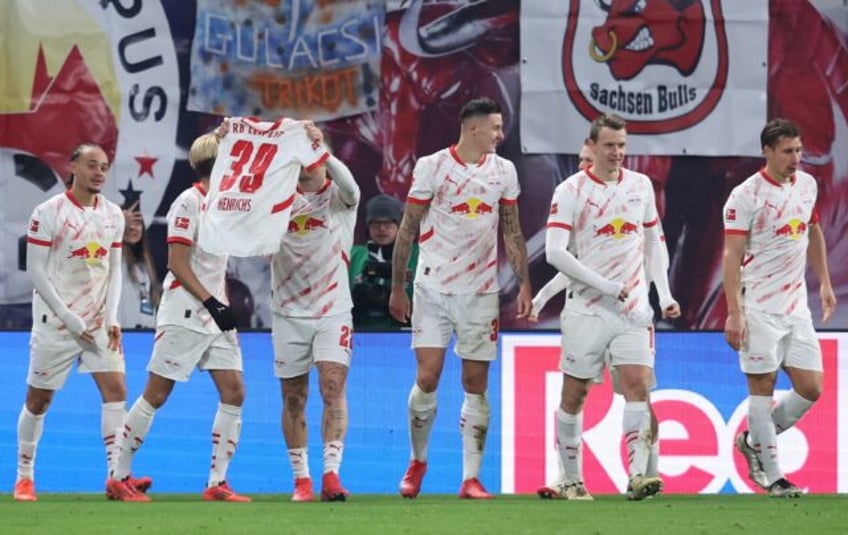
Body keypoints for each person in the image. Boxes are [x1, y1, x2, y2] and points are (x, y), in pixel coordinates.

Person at [389, 97, 533, 499]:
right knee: (428, 377)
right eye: (495, 127)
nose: (500, 135)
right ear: (473, 128)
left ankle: (470, 478)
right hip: (432, 288)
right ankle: (418, 461)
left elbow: (512, 230)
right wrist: (398, 286)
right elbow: (407, 228)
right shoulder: (432, 167)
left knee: (475, 382)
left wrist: (524, 283)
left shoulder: (504, 171)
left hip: (480, 292)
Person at [106, 132, 250, 502]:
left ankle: (217, 483)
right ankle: (118, 476)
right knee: (157, 393)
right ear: (216, 166)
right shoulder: (188, 202)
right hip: (185, 308)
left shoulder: (224, 204)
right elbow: (177, 263)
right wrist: (213, 302)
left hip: (214, 314)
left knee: (234, 392)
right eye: (230, 160)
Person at [543, 114, 680, 501]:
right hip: (586, 309)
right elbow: (554, 252)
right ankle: (571, 479)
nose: (617, 153)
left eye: (622, 145)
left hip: (633, 310)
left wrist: (664, 294)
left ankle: (637, 476)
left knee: (638, 385)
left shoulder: (641, 186)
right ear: (593, 146)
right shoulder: (570, 190)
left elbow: (654, 243)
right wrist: (605, 286)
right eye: (609, 145)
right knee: (575, 394)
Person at [13, 143, 147, 501]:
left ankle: (116, 477)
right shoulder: (48, 212)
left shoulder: (113, 215)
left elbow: (113, 269)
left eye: (104, 166)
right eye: (92, 165)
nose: (100, 172)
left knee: (116, 391)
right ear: (72, 166)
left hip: (99, 324)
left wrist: (113, 315)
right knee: (38, 401)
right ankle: (24, 476)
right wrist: (69, 318)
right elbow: (36, 270)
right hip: (56, 323)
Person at [723, 118, 836, 498]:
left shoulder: (807, 185)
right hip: (757, 307)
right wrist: (734, 313)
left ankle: (754, 441)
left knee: (811, 387)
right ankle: (773, 478)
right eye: (788, 151)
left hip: (796, 308)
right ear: (767, 151)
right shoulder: (745, 196)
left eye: (799, 151)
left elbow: (813, 229)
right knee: (762, 386)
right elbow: (730, 256)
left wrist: (823, 282)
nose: (796, 159)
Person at [270, 123, 360, 502]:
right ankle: (302, 480)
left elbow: (353, 188)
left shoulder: (339, 199)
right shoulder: (275, 201)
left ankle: (331, 475)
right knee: (293, 397)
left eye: (314, 155)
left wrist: (321, 148)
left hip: (332, 309)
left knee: (333, 387)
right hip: (287, 311)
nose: (307, 162)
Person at [349, 194, 418, 330]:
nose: (382, 229)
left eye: (388, 223)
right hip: (361, 330)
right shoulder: (355, 254)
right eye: (376, 223)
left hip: (405, 331)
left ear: (399, 225)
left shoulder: (417, 254)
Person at [118, 201, 161, 329]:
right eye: (128, 223)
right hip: (121, 333)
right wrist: (118, 221)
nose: (133, 228)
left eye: (137, 223)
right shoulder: (113, 259)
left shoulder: (144, 266)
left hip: (145, 333)